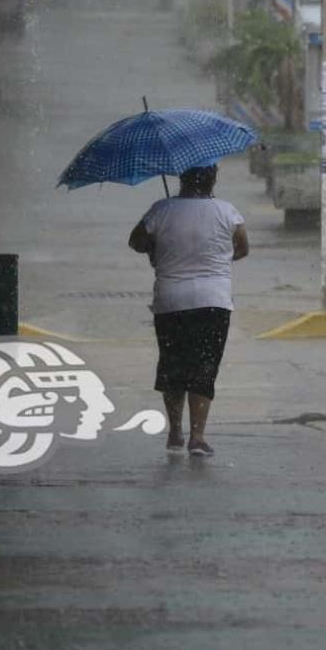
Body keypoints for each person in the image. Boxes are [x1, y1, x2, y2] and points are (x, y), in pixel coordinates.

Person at [128, 165, 249, 456]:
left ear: (182, 180)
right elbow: (242, 248)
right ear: (213, 180)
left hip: (171, 301)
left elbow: (136, 241)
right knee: (204, 366)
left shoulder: (161, 210)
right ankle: (198, 437)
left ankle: (174, 432)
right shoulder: (228, 211)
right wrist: (216, 256)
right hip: (213, 300)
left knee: (173, 365)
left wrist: (155, 248)